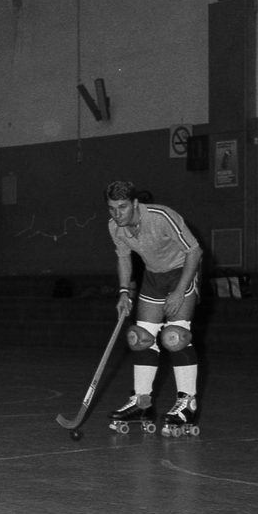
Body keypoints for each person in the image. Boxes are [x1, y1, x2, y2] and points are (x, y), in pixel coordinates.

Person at [104, 180, 203, 435]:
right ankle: (142, 403)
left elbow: (194, 251)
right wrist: (124, 292)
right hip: (154, 277)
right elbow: (124, 257)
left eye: (122, 207)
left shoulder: (161, 216)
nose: (117, 214)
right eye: (112, 208)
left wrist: (180, 290)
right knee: (140, 339)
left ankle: (187, 403)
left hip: (183, 271)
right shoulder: (116, 226)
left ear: (135, 203)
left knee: (175, 337)